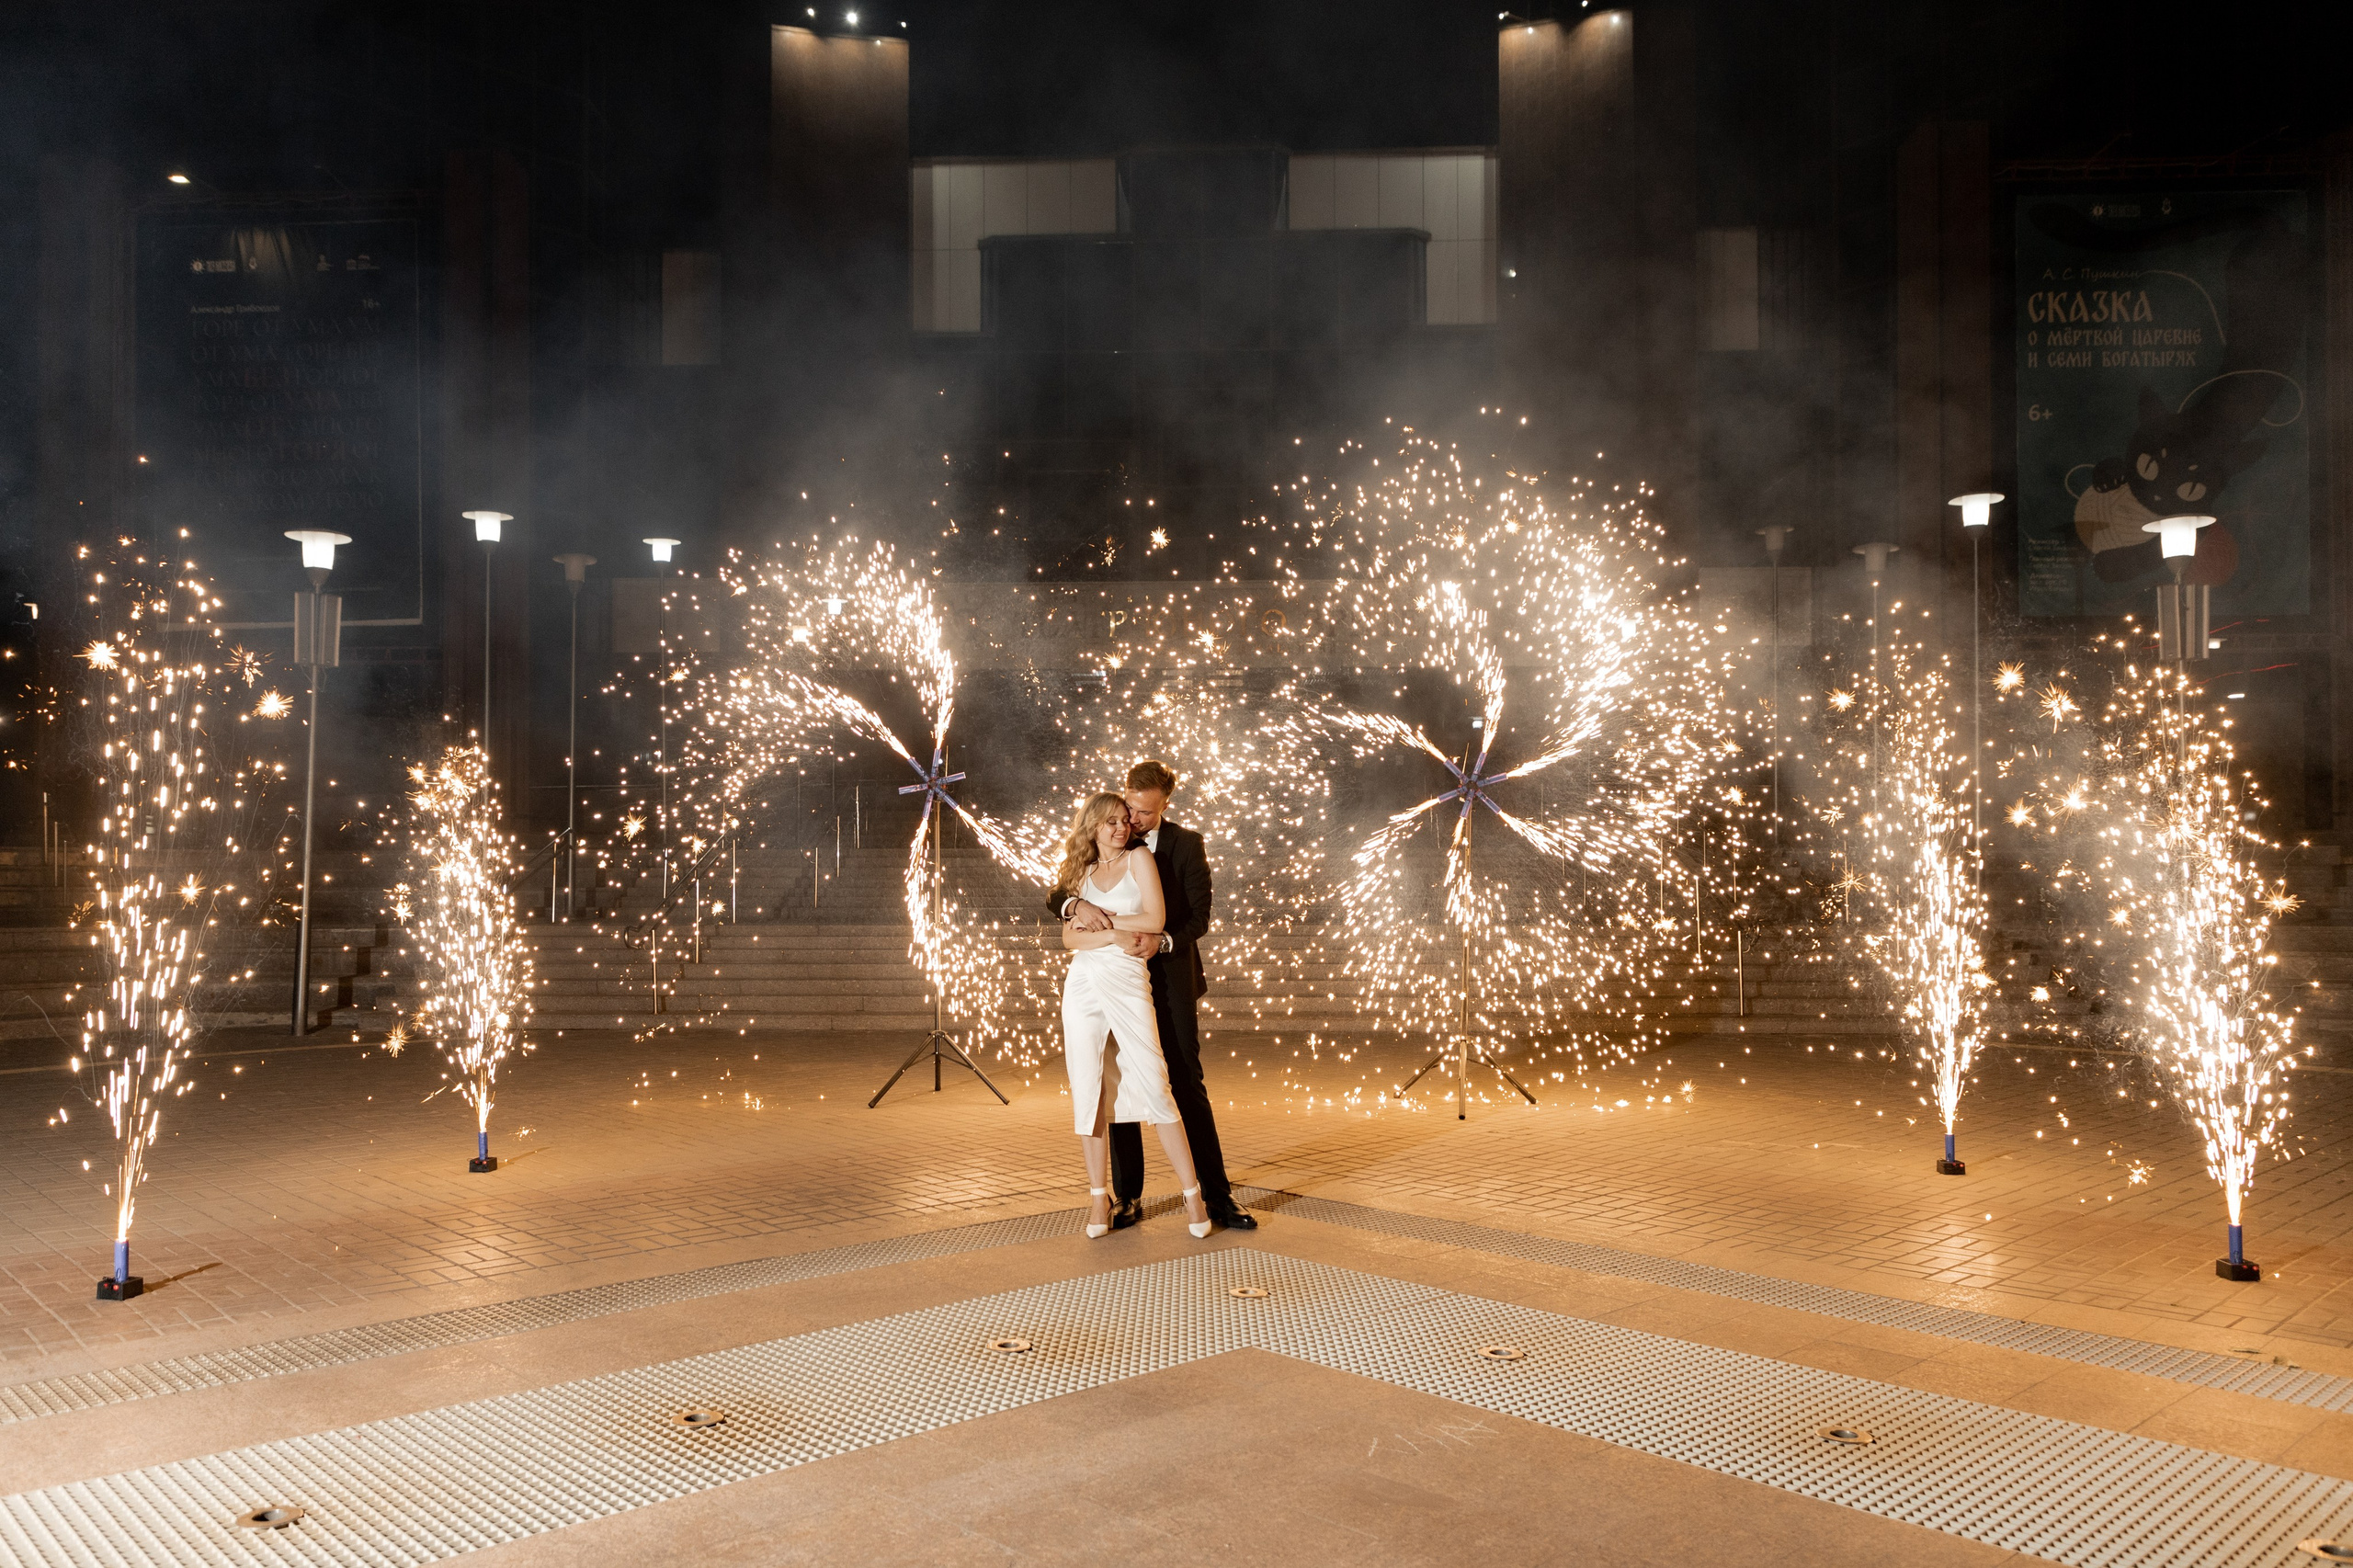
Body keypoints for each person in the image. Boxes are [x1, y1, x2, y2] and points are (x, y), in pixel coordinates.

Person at [1051, 760, 1256, 1233]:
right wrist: (1075, 905)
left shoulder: (1186, 844)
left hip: (1169, 974)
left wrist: (1158, 939)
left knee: (1183, 1080)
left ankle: (1216, 1196)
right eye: (1127, 810)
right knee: (1115, 1082)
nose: (1133, 820)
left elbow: (1198, 918)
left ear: (1165, 804)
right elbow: (1057, 898)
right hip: (1113, 971)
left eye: (1143, 813)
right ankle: (1127, 1197)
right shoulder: (1101, 847)